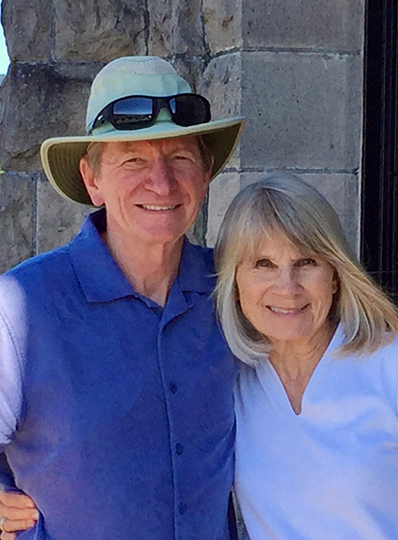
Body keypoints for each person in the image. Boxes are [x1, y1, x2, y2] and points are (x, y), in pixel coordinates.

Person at [0, 55, 244, 539]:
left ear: (205, 173)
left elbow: (318, 380)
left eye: (180, 158)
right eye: (134, 160)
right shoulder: (23, 305)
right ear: (92, 180)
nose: (162, 182)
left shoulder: (236, 291)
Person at [214, 173, 398, 539]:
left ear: (335, 275)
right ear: (234, 282)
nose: (287, 287)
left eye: (306, 262)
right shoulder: (228, 384)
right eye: (264, 264)